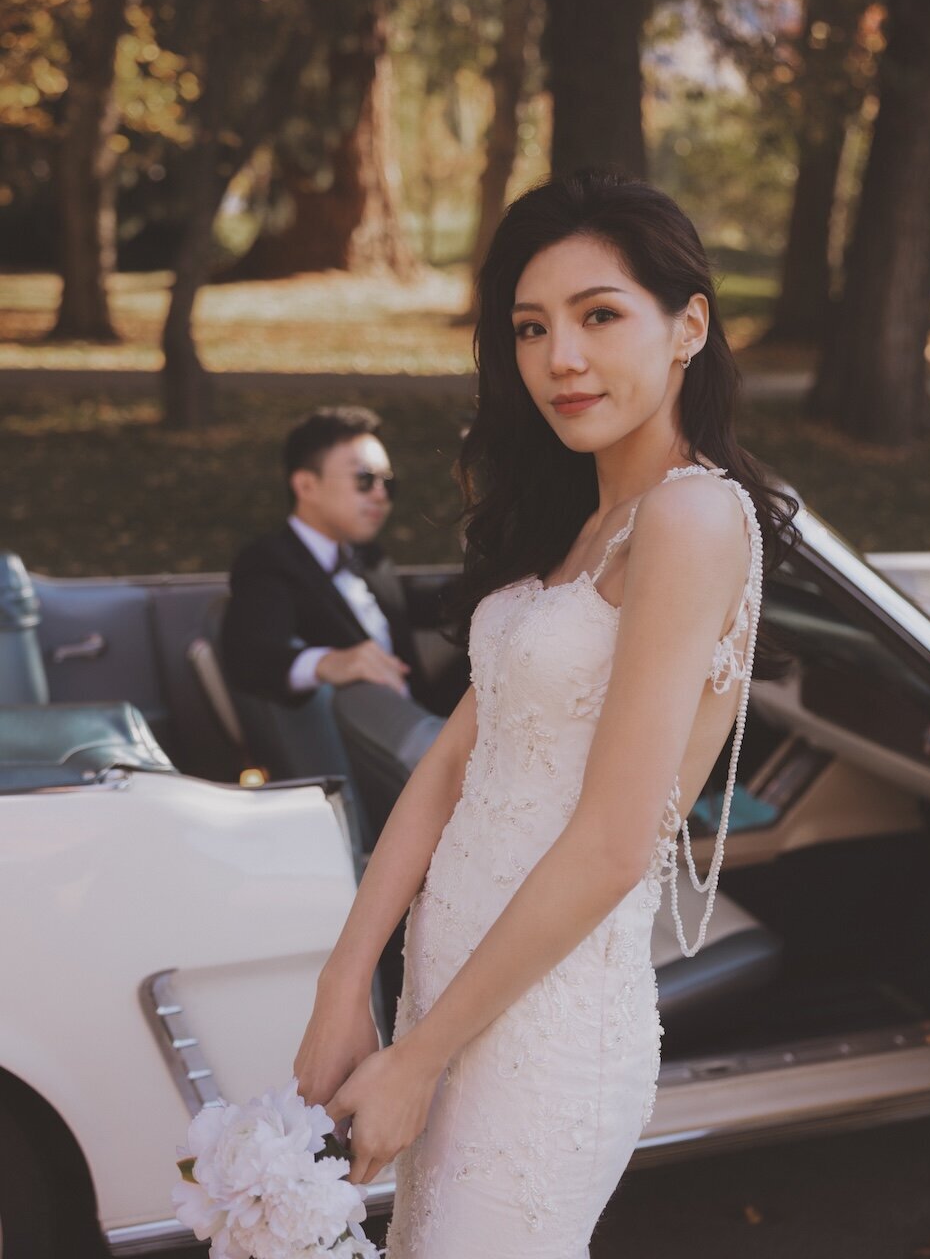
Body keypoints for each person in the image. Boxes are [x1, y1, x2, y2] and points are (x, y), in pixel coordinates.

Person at [294, 169, 801, 1258]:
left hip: (545, 1018)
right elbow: (447, 765)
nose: (558, 357)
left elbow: (617, 840)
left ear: (687, 326)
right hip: (449, 986)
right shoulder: (588, 520)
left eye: (599, 315)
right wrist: (349, 979)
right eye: (530, 327)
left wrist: (418, 1054)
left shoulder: (692, 516)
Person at [220, 406, 450, 844]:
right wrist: (330, 662)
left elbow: (418, 606)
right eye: (364, 480)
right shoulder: (268, 562)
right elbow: (250, 654)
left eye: (388, 483)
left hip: (417, 728)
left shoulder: (370, 559)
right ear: (306, 485)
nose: (381, 495)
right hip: (371, 760)